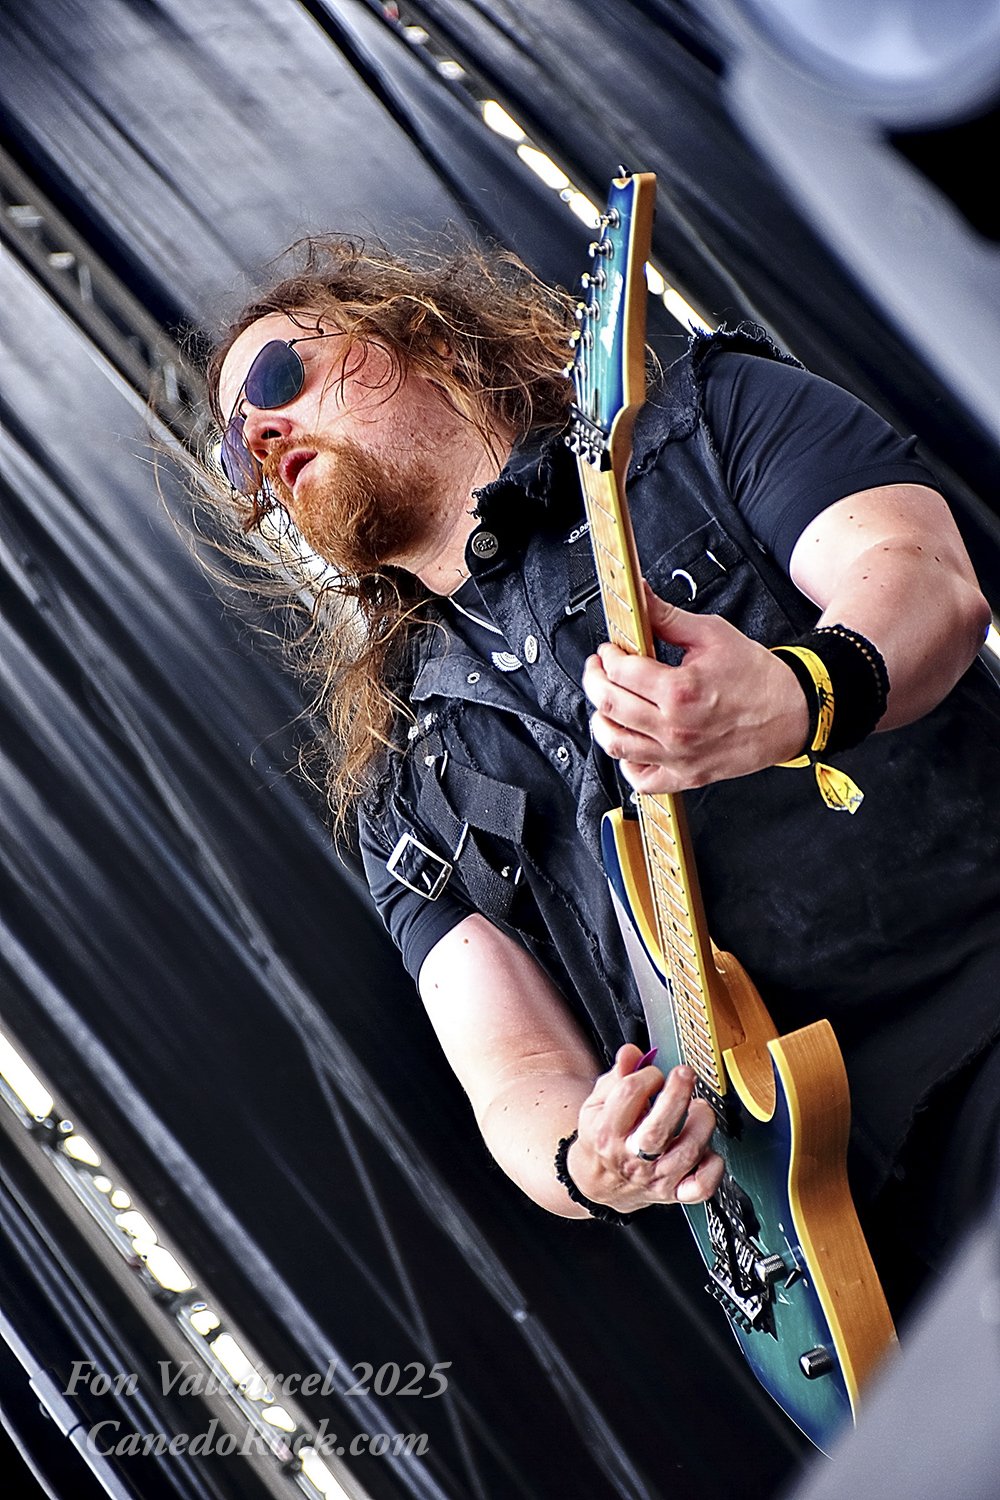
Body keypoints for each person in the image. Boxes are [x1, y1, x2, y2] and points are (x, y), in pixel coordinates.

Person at [205, 236, 1000, 1318]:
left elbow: (920, 576)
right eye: (238, 453)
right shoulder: (402, 787)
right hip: (842, 1252)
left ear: (424, 338)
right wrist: (589, 1159)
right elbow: (513, 1072)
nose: (260, 434)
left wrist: (798, 692)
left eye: (276, 379)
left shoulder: (704, 421)